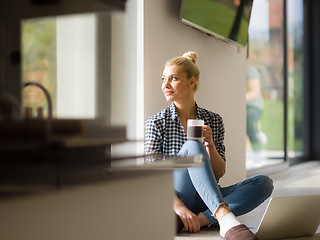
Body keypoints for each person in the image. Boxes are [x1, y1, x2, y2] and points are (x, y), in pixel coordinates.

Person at [144, 51, 274, 240]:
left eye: (173, 79)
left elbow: (219, 173)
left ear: (191, 81)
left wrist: (210, 145)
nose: (165, 85)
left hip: (207, 199)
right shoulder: (156, 123)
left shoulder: (214, 120)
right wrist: (179, 208)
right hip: (176, 197)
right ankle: (224, 219)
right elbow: (151, 177)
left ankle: (202, 219)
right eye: (163, 79)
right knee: (193, 147)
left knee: (263, 183)